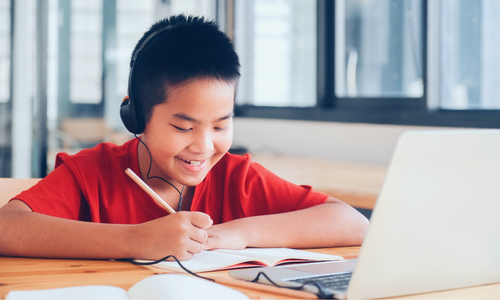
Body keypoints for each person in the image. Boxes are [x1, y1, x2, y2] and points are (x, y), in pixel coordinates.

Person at [0, 15, 368, 261]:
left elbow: (354, 223)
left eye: (221, 126)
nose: (204, 147)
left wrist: (240, 233)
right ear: (137, 115)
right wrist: (136, 240)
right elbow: (7, 227)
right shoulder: (93, 172)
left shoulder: (235, 178)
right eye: (183, 127)